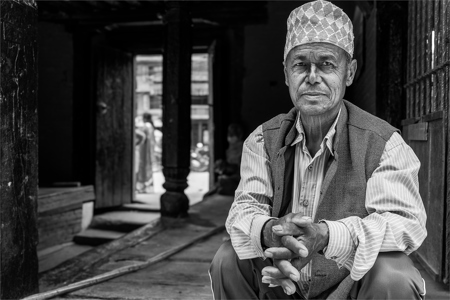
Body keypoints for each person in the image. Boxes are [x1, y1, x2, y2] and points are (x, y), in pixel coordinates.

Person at [209, 1, 427, 299]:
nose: (312, 76)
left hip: (350, 284)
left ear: (349, 73)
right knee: (228, 258)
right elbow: (243, 211)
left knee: (394, 275)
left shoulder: (384, 142)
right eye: (300, 64)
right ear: (286, 74)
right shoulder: (261, 140)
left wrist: (325, 236)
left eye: (327, 64)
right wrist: (272, 230)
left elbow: (406, 223)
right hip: (280, 280)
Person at [136, 112, 156, 193]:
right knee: (146, 167)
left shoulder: (146, 126)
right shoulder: (150, 126)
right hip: (148, 150)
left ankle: (143, 187)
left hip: (144, 149)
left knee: (143, 167)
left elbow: (141, 136)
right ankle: (146, 187)